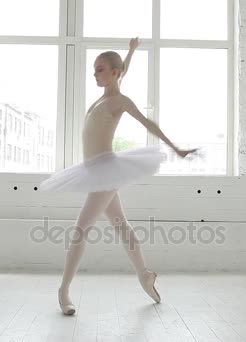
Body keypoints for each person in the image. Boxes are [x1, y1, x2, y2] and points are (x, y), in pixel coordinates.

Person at [39, 37, 199, 315]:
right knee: (122, 227)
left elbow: (147, 122)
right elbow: (122, 69)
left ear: (113, 72)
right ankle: (144, 275)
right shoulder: (105, 96)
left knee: (80, 231)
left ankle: (63, 290)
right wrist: (131, 52)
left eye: (100, 69)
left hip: (106, 170)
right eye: (94, 69)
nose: (95, 74)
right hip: (95, 169)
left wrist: (176, 149)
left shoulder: (119, 101)